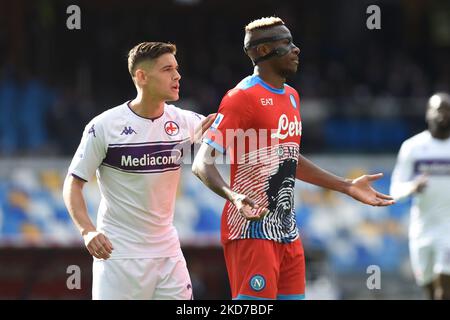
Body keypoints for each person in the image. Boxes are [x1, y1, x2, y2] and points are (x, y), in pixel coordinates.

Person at [192, 16, 394, 300]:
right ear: (263, 51)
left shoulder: (292, 97)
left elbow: (290, 159)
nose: (296, 49)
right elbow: (202, 163)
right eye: (286, 43)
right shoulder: (242, 97)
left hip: (287, 230)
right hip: (252, 230)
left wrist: (346, 186)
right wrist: (234, 196)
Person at [63, 42, 214, 300]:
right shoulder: (104, 126)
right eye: (167, 69)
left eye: (176, 69)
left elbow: (236, 136)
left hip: (168, 254)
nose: (177, 76)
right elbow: (73, 184)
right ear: (141, 77)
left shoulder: (187, 122)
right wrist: (87, 230)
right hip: (119, 256)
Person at [390, 93, 450, 300]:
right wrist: (413, 187)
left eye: (446, 109)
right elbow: (395, 190)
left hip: (448, 228)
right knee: (429, 289)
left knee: (444, 288)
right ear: (427, 114)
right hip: (422, 228)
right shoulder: (412, 147)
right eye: (437, 109)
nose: (442, 114)